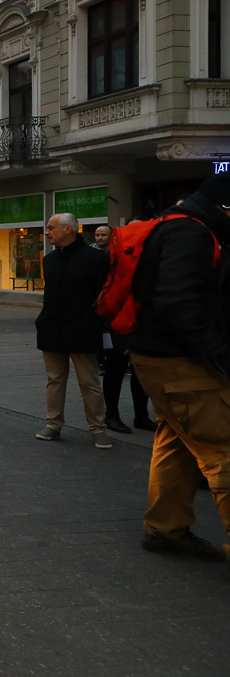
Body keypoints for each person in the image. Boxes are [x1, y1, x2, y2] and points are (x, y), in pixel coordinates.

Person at [129, 173, 230, 561]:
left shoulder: (180, 225)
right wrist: (218, 353)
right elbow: (178, 303)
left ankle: (166, 529)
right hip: (180, 362)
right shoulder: (191, 233)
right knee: (222, 447)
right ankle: (165, 530)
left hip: (160, 357)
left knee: (178, 444)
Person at [34, 213, 112, 448]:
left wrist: (92, 321)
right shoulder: (49, 260)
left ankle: (98, 428)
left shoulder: (95, 259)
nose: (47, 232)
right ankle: (53, 424)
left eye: (51, 228)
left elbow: (103, 295)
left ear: (68, 229)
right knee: (54, 380)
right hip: (51, 328)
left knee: (89, 382)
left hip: (82, 330)